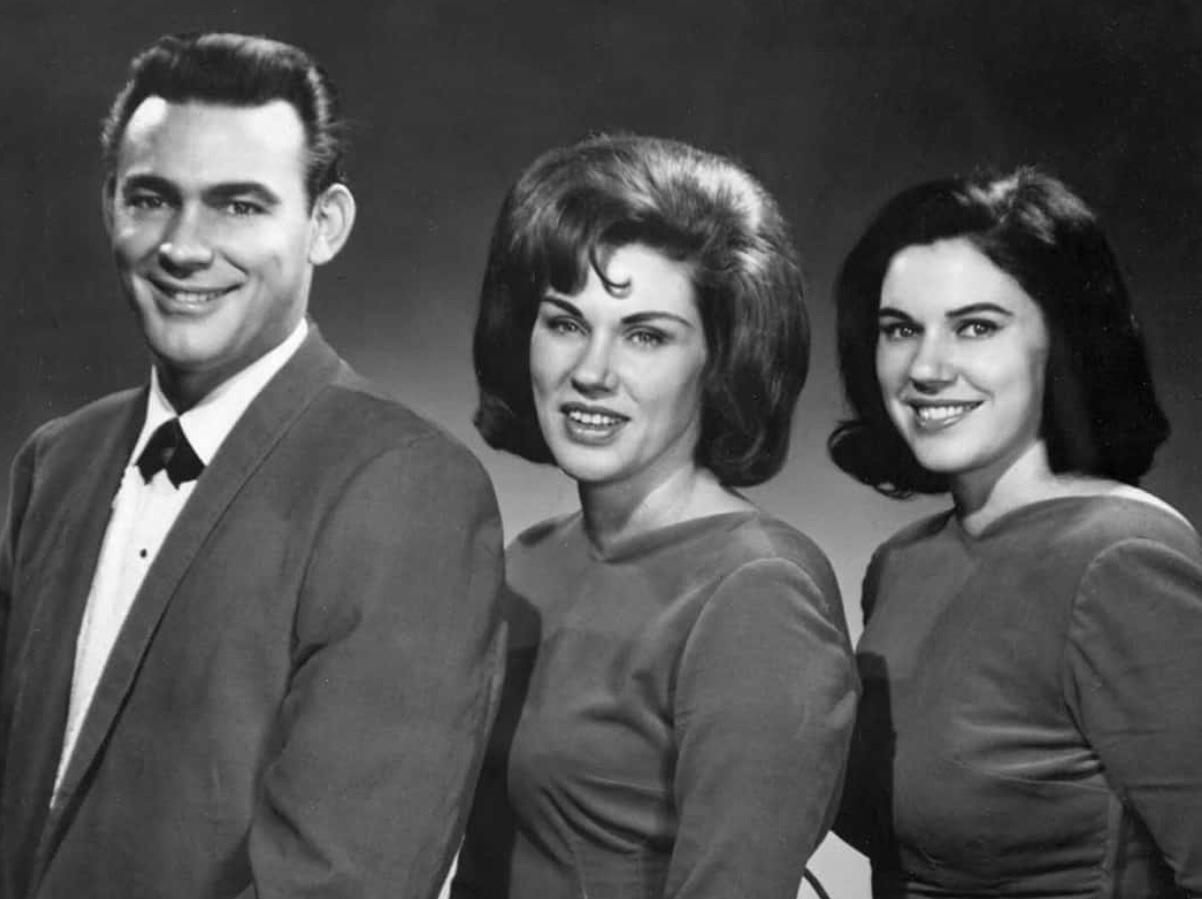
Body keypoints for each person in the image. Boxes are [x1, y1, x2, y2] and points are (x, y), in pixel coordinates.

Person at [0, 32, 505, 899]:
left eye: (238, 205)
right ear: (110, 205)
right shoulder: (57, 461)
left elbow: (342, 883)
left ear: (324, 225)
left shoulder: (411, 490)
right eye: (152, 198)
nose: (184, 247)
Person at [451, 133, 858, 899]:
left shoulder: (758, 591)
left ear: (722, 357)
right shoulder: (527, 562)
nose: (591, 372)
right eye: (566, 323)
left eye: (645, 335)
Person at [829, 168, 1202, 896]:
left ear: (1061, 342)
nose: (926, 367)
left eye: (976, 326)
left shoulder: (1122, 559)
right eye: (900, 329)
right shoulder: (901, 565)